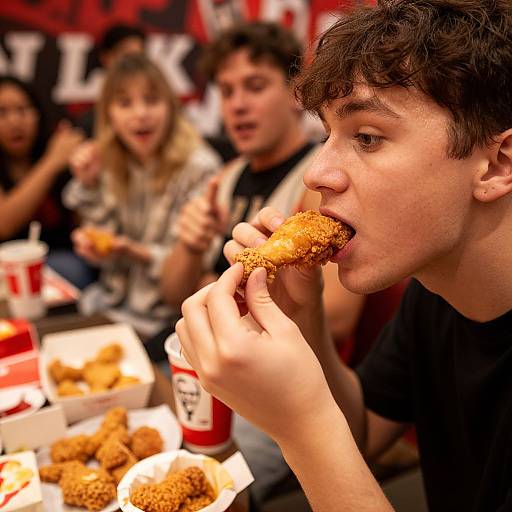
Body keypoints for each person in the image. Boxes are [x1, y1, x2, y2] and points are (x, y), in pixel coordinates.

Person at [175, 1, 512, 511]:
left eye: (367, 137)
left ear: (494, 165)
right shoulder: (435, 291)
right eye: (328, 134)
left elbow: (329, 438)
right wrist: (302, 315)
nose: (316, 174)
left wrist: (302, 427)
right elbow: (360, 429)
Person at [156, 21, 366, 503]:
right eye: (226, 91)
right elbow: (174, 295)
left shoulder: (321, 182)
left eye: (255, 86)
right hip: (204, 371)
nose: (237, 105)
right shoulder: (225, 177)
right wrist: (189, 247)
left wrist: (220, 284)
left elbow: (337, 314)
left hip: (280, 395)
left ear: (295, 94)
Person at [64, 54, 220, 337]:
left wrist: (132, 251)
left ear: (170, 108)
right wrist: (88, 190)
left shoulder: (199, 167)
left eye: (151, 100)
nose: (140, 114)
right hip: (107, 305)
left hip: (169, 320)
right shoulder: (109, 161)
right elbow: (102, 249)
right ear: (108, 114)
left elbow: (193, 266)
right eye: (125, 103)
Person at [0, 75, 91, 288]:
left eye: (23, 110)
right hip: (7, 267)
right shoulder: (55, 157)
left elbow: (83, 224)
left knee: (72, 268)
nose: (15, 122)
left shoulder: (62, 152)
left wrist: (87, 176)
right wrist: (52, 162)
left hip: (61, 260)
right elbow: (4, 223)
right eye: (2, 113)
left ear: (38, 115)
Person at [75, 23, 146, 138]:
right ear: (106, 57)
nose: (133, 65)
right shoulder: (89, 124)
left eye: (139, 57)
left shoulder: (157, 118)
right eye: (127, 56)